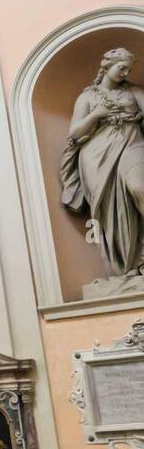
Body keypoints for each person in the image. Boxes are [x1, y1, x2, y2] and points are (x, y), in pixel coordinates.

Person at [61, 47, 144, 277]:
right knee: (111, 214)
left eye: (128, 69)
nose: (125, 73)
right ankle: (131, 265)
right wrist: (96, 114)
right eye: (121, 67)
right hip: (97, 157)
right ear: (107, 66)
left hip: (132, 144)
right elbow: (75, 132)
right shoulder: (87, 97)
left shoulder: (134, 92)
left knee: (140, 188)